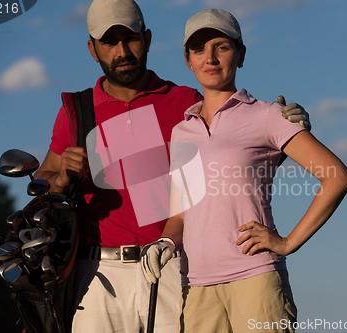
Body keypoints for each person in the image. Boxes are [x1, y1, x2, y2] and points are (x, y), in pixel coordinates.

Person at [33, 1, 310, 332]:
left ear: (147, 39)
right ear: (93, 49)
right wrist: (62, 176)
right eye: (109, 42)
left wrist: (287, 135)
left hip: (172, 266)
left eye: (131, 39)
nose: (122, 51)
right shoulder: (76, 110)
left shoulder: (185, 102)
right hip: (98, 274)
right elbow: (42, 182)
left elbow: (237, 159)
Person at [140, 8, 347, 333]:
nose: (210, 57)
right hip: (197, 288)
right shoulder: (182, 132)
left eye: (222, 47)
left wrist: (287, 242)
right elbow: (181, 214)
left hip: (255, 280)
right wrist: (166, 243)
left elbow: (337, 176)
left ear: (240, 54)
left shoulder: (268, 115)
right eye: (199, 49)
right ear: (188, 59)